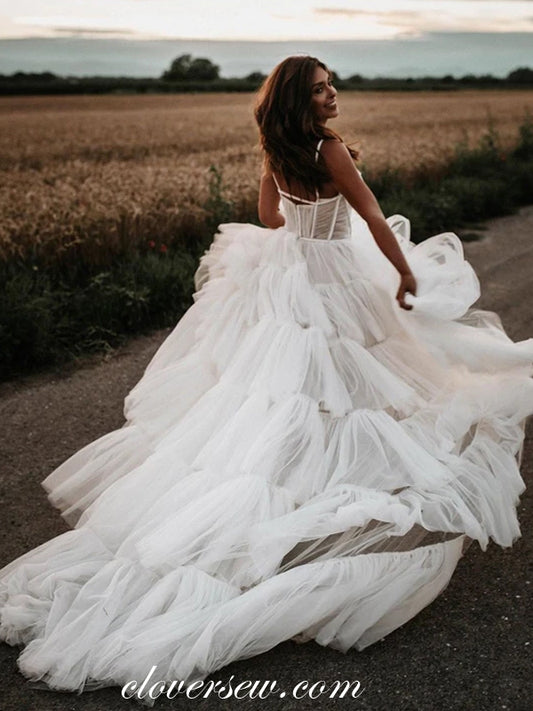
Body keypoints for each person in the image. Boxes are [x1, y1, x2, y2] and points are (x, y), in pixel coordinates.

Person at [1, 54, 532, 704]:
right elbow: (369, 215)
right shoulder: (329, 148)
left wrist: (306, 219)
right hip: (336, 282)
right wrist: (402, 274)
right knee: (360, 389)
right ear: (300, 101)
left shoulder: (277, 151)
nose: (332, 93)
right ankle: (328, 497)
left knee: (287, 395)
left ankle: (290, 485)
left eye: (332, 83)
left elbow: (270, 216)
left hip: (291, 282)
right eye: (320, 88)